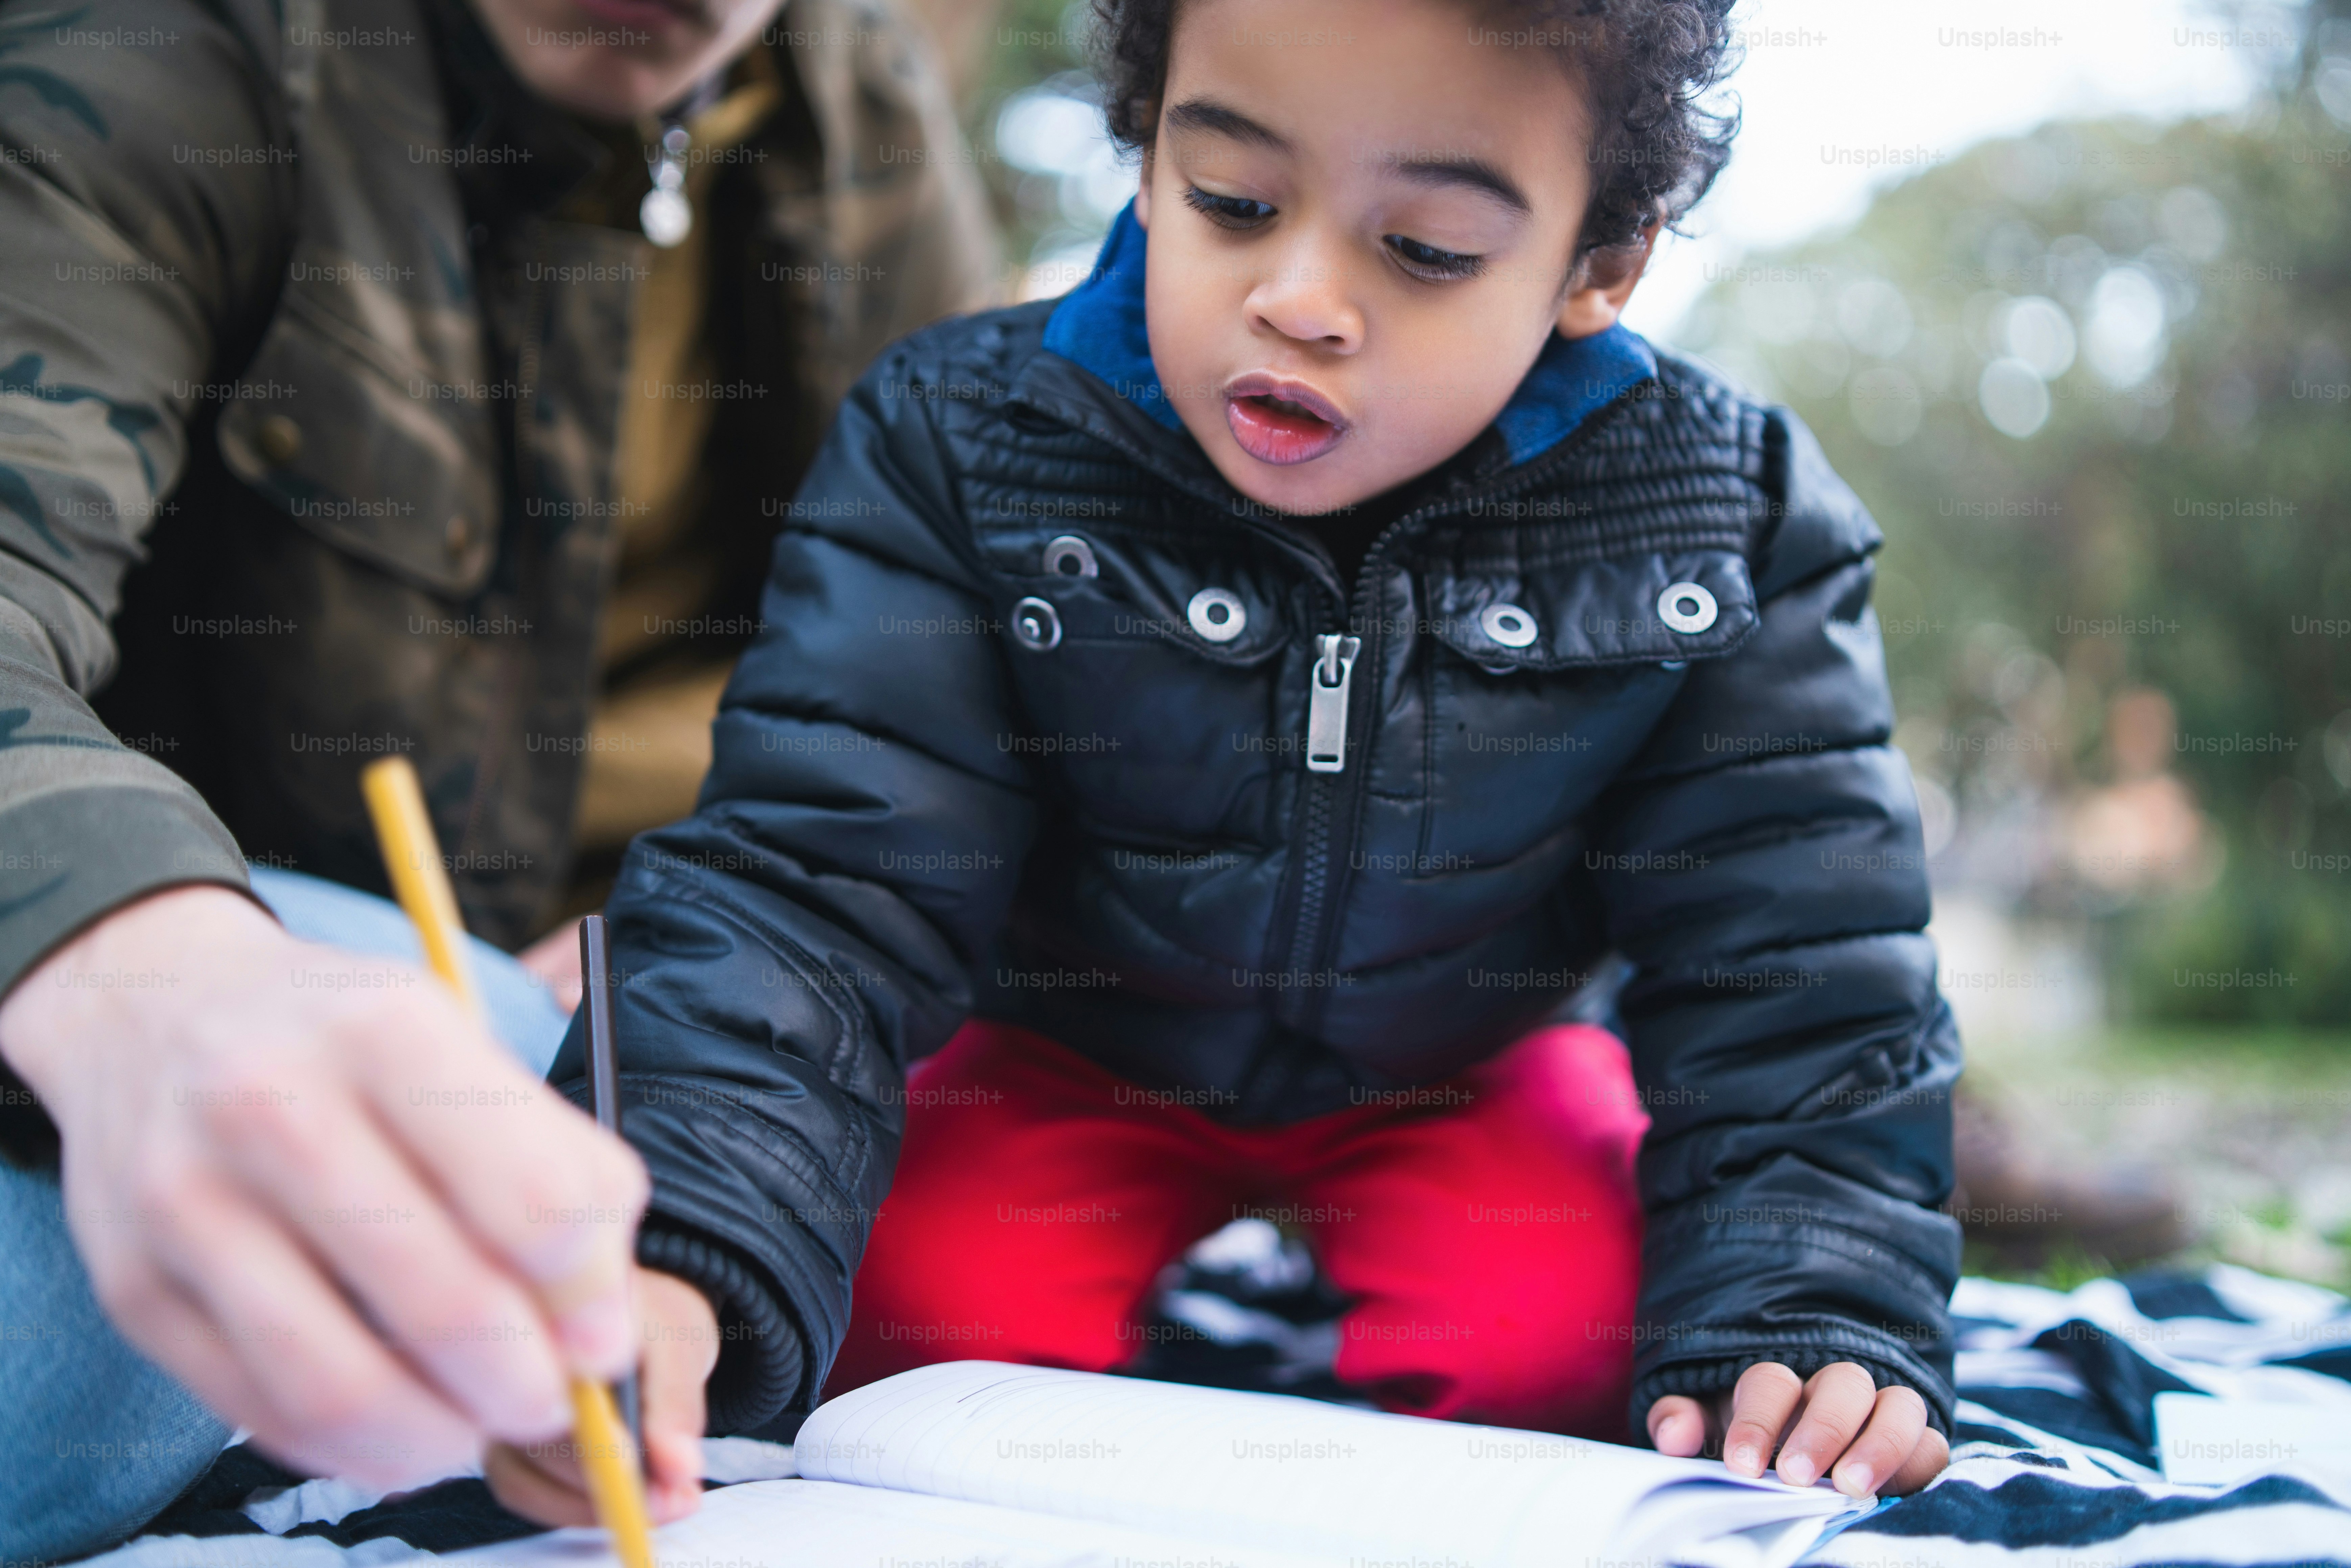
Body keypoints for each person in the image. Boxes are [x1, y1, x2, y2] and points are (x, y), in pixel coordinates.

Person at [564, 0, 1964, 1513]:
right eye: (1230, 201)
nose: (1298, 298)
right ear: (1146, 147)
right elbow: (809, 885)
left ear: (1600, 262)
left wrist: (1811, 1305)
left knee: (1573, 1351)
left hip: (1466, 1061)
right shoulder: (955, 436)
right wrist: (671, 1249)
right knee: (907, 1333)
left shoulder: (1727, 516)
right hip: (1065, 1046)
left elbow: (1796, 974)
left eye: (1425, 249)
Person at [0, 0, 995, 1552]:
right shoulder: (169, 54)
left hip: (625, 983)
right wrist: (129, 958)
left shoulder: (861, 117)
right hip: (183, 945)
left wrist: (684, 918)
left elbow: (949, 687)